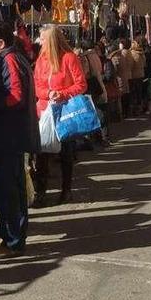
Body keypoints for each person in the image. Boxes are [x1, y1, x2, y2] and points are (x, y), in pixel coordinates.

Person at [0, 22, 39, 260]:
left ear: (0, 43)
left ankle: (11, 240)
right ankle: (11, 237)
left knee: (7, 191)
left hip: (7, 135)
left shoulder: (9, 60)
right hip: (10, 135)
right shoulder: (15, 58)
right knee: (13, 189)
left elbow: (15, 95)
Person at [32, 25, 87, 206]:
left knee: (65, 153)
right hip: (44, 112)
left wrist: (61, 93)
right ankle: (40, 191)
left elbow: (81, 85)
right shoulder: (41, 60)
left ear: (52, 40)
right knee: (42, 153)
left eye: (43, 38)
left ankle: (66, 189)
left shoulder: (69, 58)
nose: (40, 41)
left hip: (64, 112)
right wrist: (48, 94)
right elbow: (36, 85)